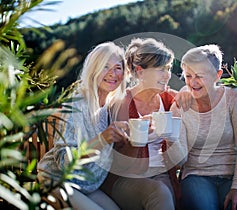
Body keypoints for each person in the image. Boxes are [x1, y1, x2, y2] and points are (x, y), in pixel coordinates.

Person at [37, 42, 129, 210]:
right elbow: (63, 161)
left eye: (118, 67)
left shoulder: (111, 107)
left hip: (87, 186)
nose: (112, 74)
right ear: (93, 70)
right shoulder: (78, 104)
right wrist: (101, 140)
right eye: (105, 67)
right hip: (56, 180)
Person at [101, 38, 189, 210]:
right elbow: (118, 164)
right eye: (161, 69)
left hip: (163, 174)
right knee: (160, 193)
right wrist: (136, 139)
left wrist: (186, 92)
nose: (167, 75)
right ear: (140, 72)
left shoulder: (168, 98)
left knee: (171, 194)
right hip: (127, 178)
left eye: (169, 68)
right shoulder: (122, 103)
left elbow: (196, 95)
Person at [170, 44, 237, 210]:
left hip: (233, 177)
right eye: (188, 76)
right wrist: (170, 136)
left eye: (199, 76)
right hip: (195, 177)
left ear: (217, 75)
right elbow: (181, 161)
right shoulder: (179, 106)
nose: (192, 83)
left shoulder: (233, 98)